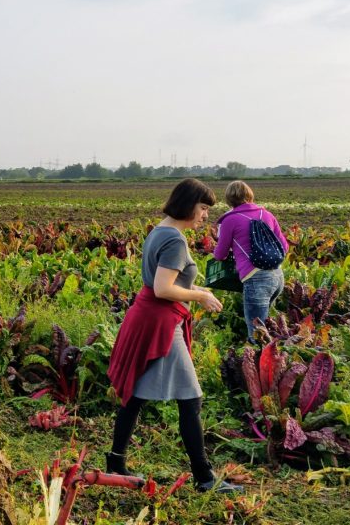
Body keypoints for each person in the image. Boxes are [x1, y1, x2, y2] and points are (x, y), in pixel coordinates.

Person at [106, 178, 243, 494]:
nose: (206, 215)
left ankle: (115, 461)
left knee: (136, 392)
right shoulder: (175, 241)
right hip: (161, 323)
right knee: (190, 397)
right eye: (204, 208)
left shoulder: (160, 231)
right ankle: (205, 478)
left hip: (148, 317)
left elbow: (163, 281)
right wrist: (201, 298)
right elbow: (163, 288)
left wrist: (195, 288)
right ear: (188, 204)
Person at [213, 180, 289, 343]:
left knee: (257, 336)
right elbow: (285, 246)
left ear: (229, 199)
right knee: (266, 330)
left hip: (256, 280)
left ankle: (258, 365)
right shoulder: (267, 214)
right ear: (250, 195)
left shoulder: (229, 220)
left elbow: (220, 254)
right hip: (277, 276)